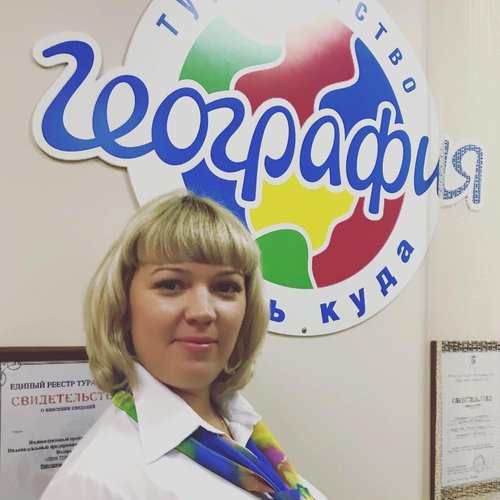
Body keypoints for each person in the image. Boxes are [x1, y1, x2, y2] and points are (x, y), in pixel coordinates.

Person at [41, 192, 326, 499]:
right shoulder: (94, 482)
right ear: (122, 305)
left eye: (225, 286)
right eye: (171, 284)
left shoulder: (241, 425)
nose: (203, 311)